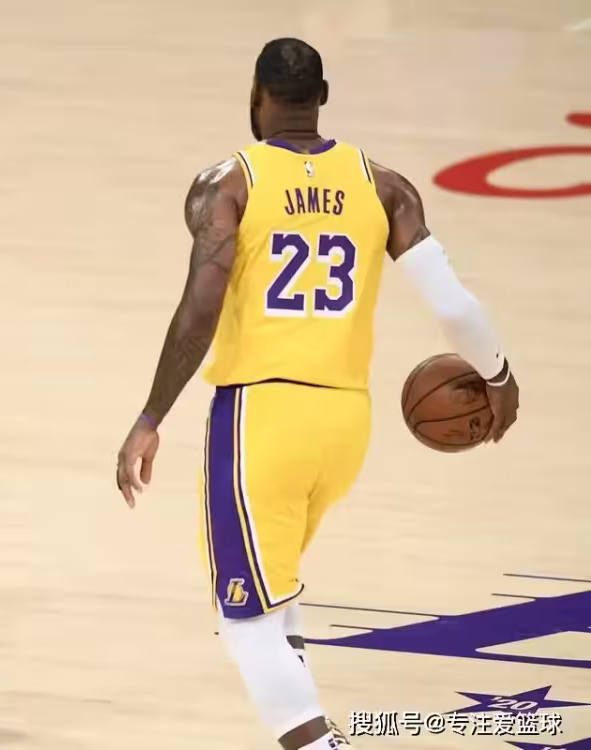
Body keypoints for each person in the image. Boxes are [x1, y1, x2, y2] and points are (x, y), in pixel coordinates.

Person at [113, 38, 519, 750]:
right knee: (278, 590)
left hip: (262, 417)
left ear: (256, 95)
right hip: (345, 421)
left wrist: (151, 415)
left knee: (243, 619)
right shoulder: (384, 186)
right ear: (323, 96)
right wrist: (500, 376)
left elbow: (201, 309)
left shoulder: (228, 184)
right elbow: (452, 304)